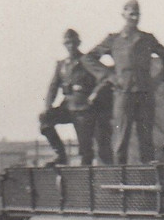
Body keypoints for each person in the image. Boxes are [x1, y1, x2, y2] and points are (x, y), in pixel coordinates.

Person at [83, 0, 164, 164]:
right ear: (123, 15)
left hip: (145, 94)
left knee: (146, 140)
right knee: (121, 140)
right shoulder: (114, 39)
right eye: (131, 14)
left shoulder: (147, 39)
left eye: (137, 14)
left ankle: (148, 183)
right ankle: (121, 183)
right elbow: (88, 58)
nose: (134, 18)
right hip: (123, 94)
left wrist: (159, 80)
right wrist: (109, 77)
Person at [39, 28, 113, 166]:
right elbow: (53, 87)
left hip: (84, 110)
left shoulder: (86, 61)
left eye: (73, 42)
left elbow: (105, 78)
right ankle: (60, 155)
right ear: (64, 44)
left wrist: (94, 94)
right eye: (67, 43)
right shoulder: (61, 65)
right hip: (67, 107)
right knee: (45, 119)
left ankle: (85, 179)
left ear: (78, 43)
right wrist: (48, 106)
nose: (71, 46)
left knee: (85, 150)